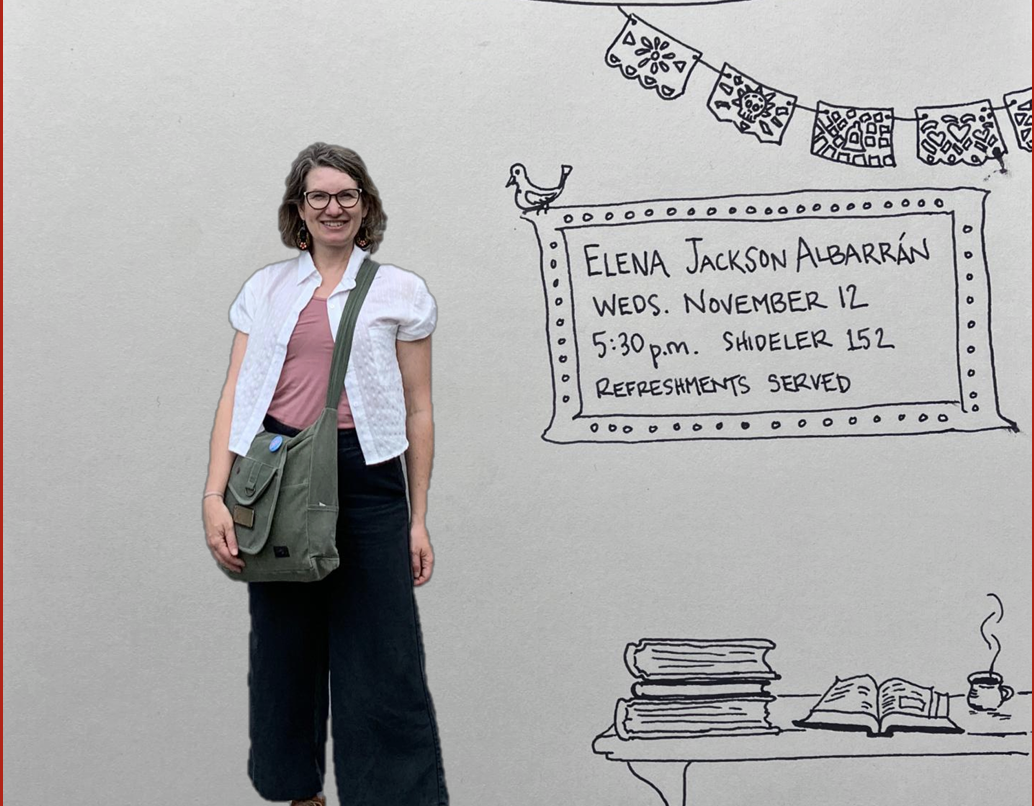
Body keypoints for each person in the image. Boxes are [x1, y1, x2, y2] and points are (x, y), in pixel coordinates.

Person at [202, 143, 448, 806]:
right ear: (299, 209)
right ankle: (298, 793)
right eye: (319, 197)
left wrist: (417, 517)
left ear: (364, 205)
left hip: (367, 476)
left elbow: (420, 408)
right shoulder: (267, 289)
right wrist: (214, 494)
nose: (333, 207)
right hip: (274, 472)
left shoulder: (400, 291)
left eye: (347, 195)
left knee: (384, 656)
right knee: (285, 648)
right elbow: (237, 391)